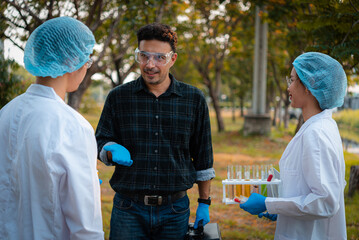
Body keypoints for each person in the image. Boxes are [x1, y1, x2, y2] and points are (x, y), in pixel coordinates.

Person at [96, 23, 215, 239]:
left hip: (175, 211)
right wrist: (110, 148)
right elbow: (100, 140)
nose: (150, 64)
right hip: (127, 209)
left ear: (172, 59)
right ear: (138, 56)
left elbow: (203, 157)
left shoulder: (194, 99)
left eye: (160, 57)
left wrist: (204, 203)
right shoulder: (118, 97)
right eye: (144, 56)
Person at [0, 17, 104, 239]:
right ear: (73, 61)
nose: (87, 67)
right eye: (87, 61)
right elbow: (86, 228)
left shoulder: (6, 112)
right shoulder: (72, 127)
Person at [240, 52, 347, 239]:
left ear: (309, 85)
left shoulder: (316, 133)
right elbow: (306, 183)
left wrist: (269, 204)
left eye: (292, 80)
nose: (288, 87)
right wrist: (276, 202)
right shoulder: (318, 126)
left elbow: (325, 202)